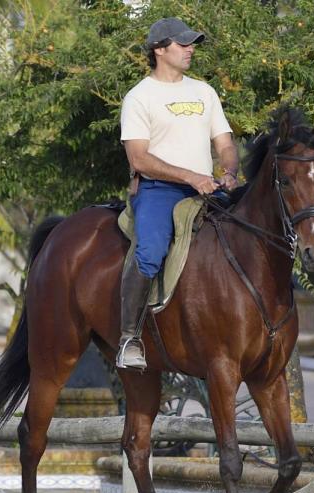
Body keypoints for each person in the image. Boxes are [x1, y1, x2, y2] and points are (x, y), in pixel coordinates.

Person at [117, 17, 239, 370]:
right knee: (152, 251)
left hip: (208, 188)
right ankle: (129, 338)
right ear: (159, 50)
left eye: (192, 43)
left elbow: (225, 142)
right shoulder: (140, 97)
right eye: (183, 43)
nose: (191, 48)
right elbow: (139, 158)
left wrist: (229, 172)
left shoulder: (204, 91)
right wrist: (190, 176)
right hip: (158, 189)